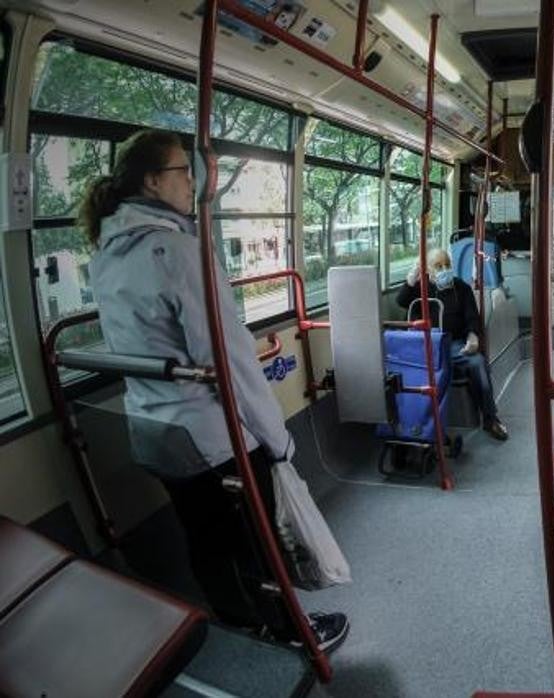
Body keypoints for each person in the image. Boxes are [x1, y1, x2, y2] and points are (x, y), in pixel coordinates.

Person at [81, 129, 349, 652]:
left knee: (203, 537)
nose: (195, 185)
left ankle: (238, 622)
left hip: (154, 430)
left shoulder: (106, 254)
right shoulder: (178, 251)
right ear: (154, 181)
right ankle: (294, 633)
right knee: (257, 542)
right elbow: (228, 361)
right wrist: (277, 439)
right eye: (185, 171)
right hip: (209, 434)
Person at [396, 249, 509, 441]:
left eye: (447, 265)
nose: (444, 270)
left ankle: (490, 419)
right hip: (427, 347)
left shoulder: (461, 288)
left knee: (478, 364)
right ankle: (422, 426)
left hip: (455, 344)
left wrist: (473, 337)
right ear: (428, 270)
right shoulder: (420, 289)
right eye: (438, 266)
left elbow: (472, 318)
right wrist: (410, 280)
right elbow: (402, 301)